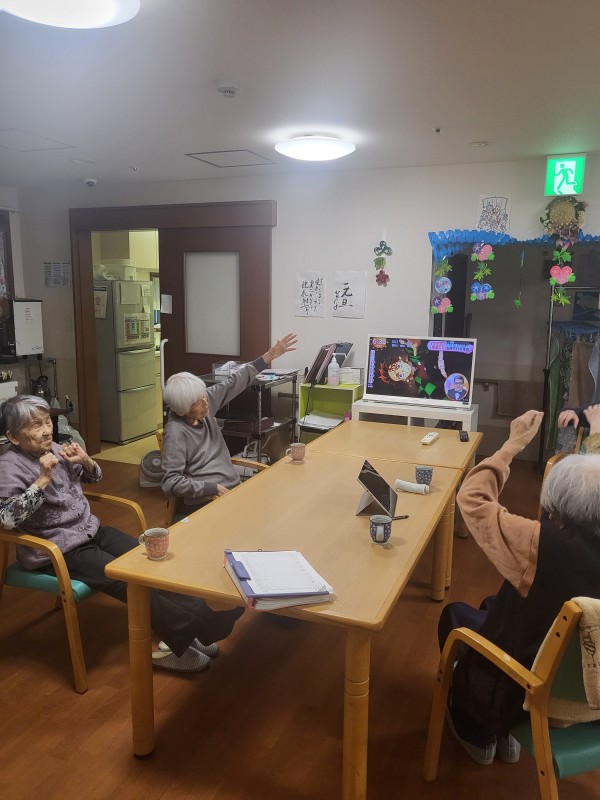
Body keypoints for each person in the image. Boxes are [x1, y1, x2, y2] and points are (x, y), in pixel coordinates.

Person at [0, 394, 244, 673]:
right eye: (35, 425)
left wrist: (86, 461)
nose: (46, 430)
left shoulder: (55, 448)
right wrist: (43, 479)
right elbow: (6, 519)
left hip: (91, 530)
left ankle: (197, 626)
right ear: (13, 436)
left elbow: (94, 477)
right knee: (130, 581)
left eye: (46, 422)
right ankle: (191, 635)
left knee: (152, 563)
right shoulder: (8, 467)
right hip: (57, 547)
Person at [438, 409, 600, 766]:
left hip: (525, 693)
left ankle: (480, 730)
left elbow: (473, 499)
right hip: (590, 702)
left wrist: (512, 444)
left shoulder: (540, 544)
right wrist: (594, 440)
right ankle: (505, 733)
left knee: (455, 616)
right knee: (494, 602)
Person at [161, 333, 298, 514]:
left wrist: (269, 356)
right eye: (198, 403)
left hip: (232, 489)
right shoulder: (176, 433)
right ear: (182, 410)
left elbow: (235, 381)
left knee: (280, 505)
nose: (206, 403)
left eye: (204, 396)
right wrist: (211, 488)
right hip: (206, 500)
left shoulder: (205, 402)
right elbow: (170, 482)